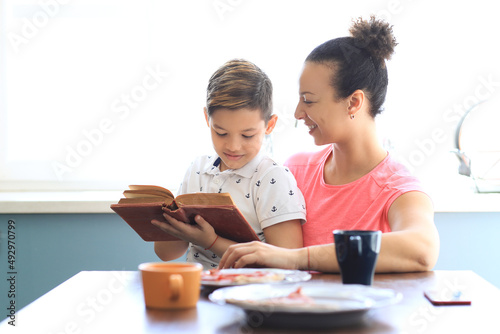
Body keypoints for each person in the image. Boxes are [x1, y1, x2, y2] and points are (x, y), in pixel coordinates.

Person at [219, 16, 440, 273]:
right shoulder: (295, 170)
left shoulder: (398, 189)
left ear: (354, 103)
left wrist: (297, 259)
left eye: (309, 100)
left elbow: (422, 251)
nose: (298, 112)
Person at [152, 59, 306, 270]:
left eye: (247, 135)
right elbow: (166, 253)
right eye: (221, 133)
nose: (233, 146)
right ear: (207, 118)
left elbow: (288, 263)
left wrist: (212, 242)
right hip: (201, 289)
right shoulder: (198, 170)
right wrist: (171, 223)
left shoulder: (272, 177)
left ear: (270, 125)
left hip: (252, 293)